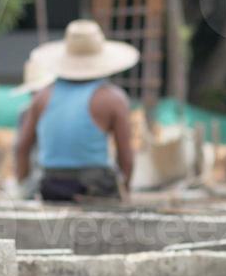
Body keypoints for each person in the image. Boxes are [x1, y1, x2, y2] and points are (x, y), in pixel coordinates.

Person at [13, 20, 137, 202]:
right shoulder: (113, 99)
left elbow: (21, 148)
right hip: (95, 187)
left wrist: (24, 188)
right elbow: (125, 158)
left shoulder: (42, 97)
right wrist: (124, 190)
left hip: (51, 185)